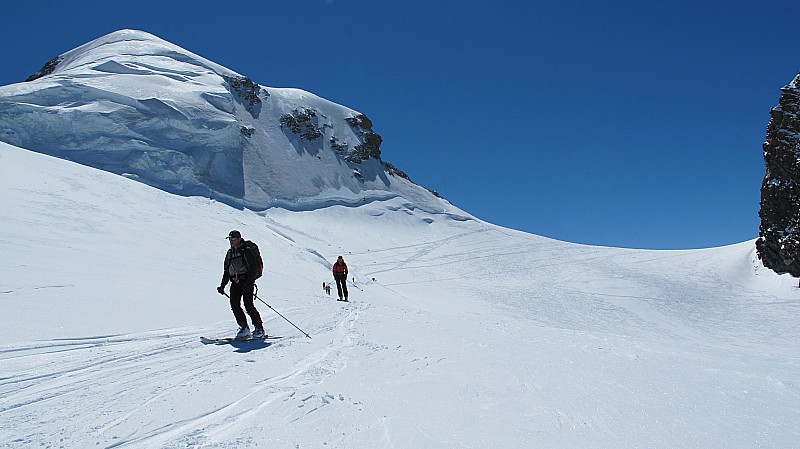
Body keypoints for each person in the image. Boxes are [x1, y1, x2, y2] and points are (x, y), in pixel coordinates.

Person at [217, 230, 265, 339]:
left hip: (246, 281)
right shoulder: (230, 253)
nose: (231, 241)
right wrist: (222, 286)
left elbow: (253, 269)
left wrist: (249, 283)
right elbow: (226, 271)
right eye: (230, 239)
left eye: (233, 239)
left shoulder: (246, 251)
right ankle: (244, 327)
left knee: (248, 305)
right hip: (235, 282)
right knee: (234, 305)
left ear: (239, 239)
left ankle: (259, 328)